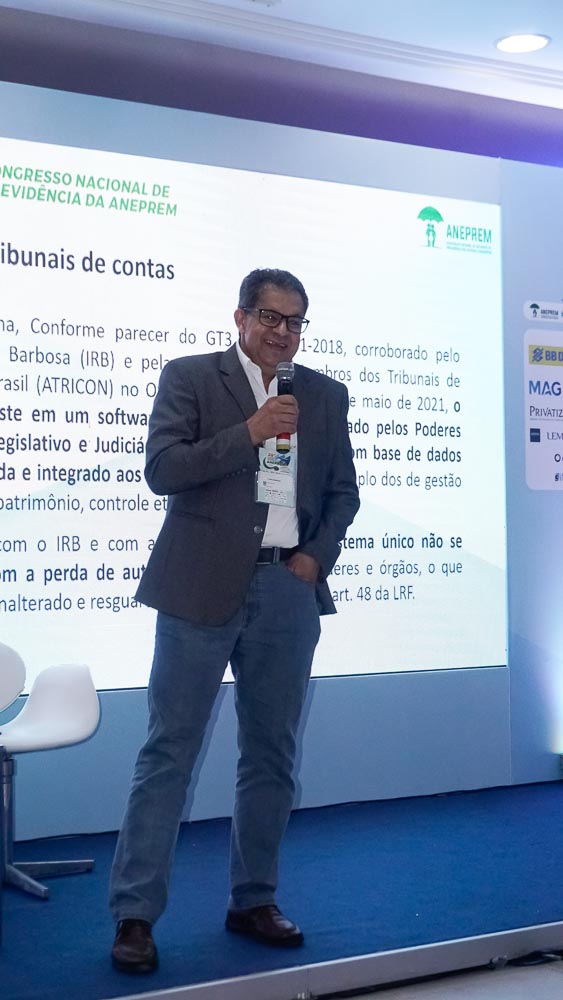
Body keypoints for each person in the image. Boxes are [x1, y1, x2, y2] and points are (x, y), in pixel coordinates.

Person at [109, 268, 360, 973]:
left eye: (295, 321)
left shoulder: (324, 394)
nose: (283, 332)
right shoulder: (190, 377)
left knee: (271, 754)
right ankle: (134, 915)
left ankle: (253, 900)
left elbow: (342, 493)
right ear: (240, 317)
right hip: (198, 587)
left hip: (287, 590)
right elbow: (164, 469)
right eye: (270, 317)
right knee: (169, 752)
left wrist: (313, 557)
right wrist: (250, 432)